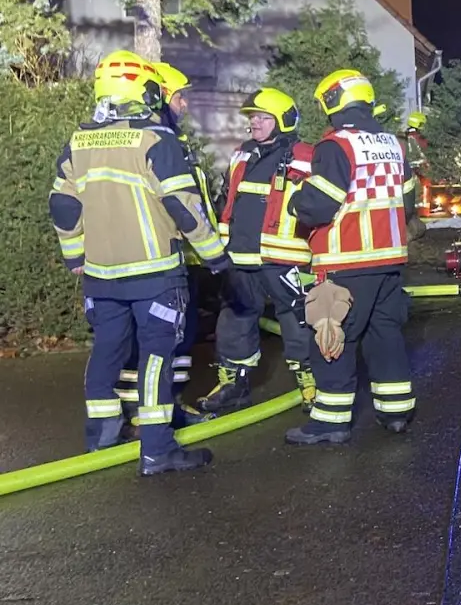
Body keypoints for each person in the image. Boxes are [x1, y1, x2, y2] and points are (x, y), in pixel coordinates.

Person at [50, 50, 228, 474]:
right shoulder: (155, 139)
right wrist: (215, 256)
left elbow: (62, 205)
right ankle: (157, 449)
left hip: (101, 275)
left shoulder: (80, 139)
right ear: (146, 90)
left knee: (108, 350)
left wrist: (75, 255)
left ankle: (102, 435)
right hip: (153, 273)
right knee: (155, 358)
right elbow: (184, 209)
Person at [282, 69, 416, 445]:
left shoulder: (335, 146)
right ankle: (396, 412)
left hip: (346, 261)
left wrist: (295, 199)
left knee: (332, 337)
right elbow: (407, 202)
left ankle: (330, 421)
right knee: (384, 335)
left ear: (332, 101)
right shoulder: (394, 144)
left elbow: (319, 206)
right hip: (390, 262)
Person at [195, 88, 318, 415]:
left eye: (264, 118)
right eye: (253, 118)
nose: (256, 124)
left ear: (283, 120)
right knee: (234, 320)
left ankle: (311, 383)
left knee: (297, 320)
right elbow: (231, 199)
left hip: (285, 257)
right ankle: (233, 386)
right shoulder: (242, 153)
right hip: (241, 257)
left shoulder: (306, 155)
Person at [114, 62, 208, 424]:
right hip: (162, 258)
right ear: (160, 96)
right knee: (163, 336)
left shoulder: (162, 138)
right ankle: (157, 409)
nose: (185, 105)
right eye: (180, 97)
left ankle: (152, 405)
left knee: (160, 337)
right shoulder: (157, 140)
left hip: (170, 255)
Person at [402, 109, 433, 216]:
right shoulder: (420, 137)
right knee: (425, 187)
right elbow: (427, 150)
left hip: (406, 167)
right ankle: (423, 211)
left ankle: (411, 210)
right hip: (420, 166)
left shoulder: (404, 136)